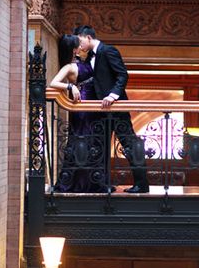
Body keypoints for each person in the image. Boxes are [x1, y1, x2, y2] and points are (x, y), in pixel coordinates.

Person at [74, 25, 149, 193]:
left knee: (129, 144)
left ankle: (142, 184)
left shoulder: (108, 50)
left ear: (88, 37)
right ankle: (103, 183)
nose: (80, 46)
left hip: (117, 108)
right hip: (101, 111)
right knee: (101, 146)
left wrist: (112, 96)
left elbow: (122, 74)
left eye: (80, 41)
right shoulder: (89, 57)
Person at [50, 34, 109, 193]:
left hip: (93, 107)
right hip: (82, 106)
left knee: (93, 142)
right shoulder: (69, 67)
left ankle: (93, 182)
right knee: (81, 141)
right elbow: (53, 83)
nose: (82, 46)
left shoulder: (85, 62)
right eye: (79, 44)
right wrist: (70, 87)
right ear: (74, 49)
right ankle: (76, 183)